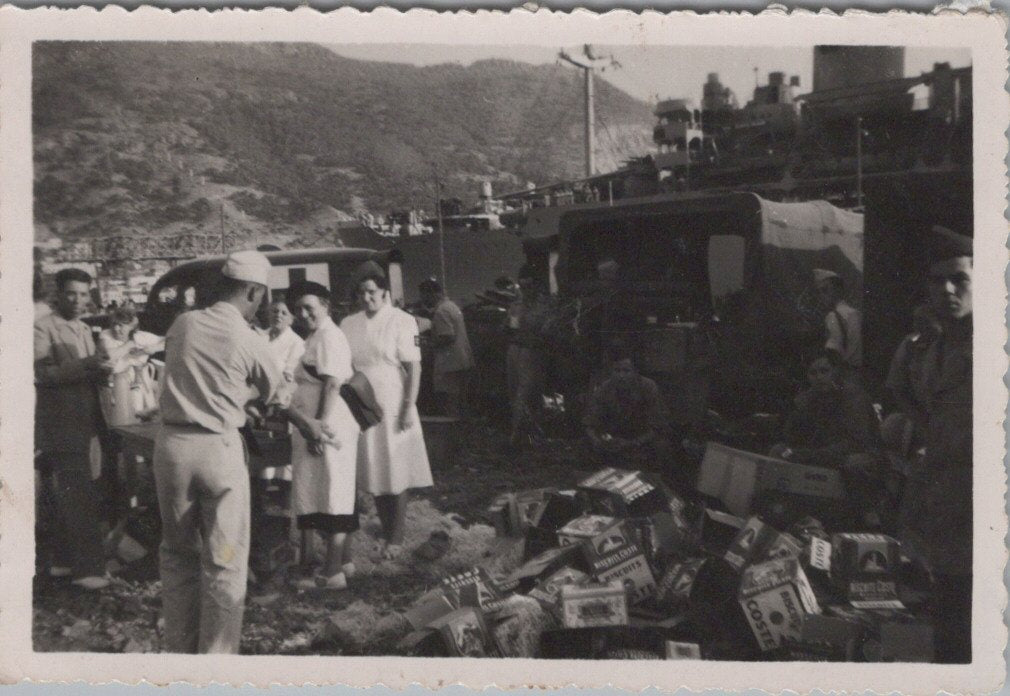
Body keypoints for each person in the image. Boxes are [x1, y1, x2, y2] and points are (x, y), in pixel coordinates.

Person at [154, 250, 281, 653]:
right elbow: (276, 392)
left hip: (173, 446)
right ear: (254, 292)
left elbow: (185, 370)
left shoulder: (184, 323)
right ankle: (217, 659)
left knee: (177, 555)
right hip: (218, 447)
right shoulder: (249, 338)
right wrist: (245, 396)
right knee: (224, 561)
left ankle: (180, 649)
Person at [899, 225, 972, 664]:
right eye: (937, 280)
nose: (947, 289)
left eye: (960, 279)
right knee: (950, 636)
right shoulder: (934, 349)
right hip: (948, 515)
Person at [340, 262, 433, 559]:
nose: (366, 298)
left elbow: (413, 367)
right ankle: (384, 526)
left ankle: (397, 535)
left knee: (396, 465)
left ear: (384, 292)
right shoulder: (348, 323)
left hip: (394, 398)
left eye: (371, 292)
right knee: (375, 466)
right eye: (361, 293)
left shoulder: (402, 320)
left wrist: (408, 406)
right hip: (361, 399)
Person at [34, 267, 114, 590]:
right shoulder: (42, 328)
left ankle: (63, 562)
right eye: (72, 293)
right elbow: (42, 373)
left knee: (73, 490)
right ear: (58, 293)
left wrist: (102, 371)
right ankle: (88, 570)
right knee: (77, 492)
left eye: (84, 294)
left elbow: (82, 373)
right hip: (61, 423)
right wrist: (88, 365)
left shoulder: (83, 328)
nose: (79, 300)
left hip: (86, 420)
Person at [284, 282, 360, 590]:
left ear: (325, 306)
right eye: (298, 309)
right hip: (315, 421)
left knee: (334, 492)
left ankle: (332, 573)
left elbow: (332, 385)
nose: (303, 314)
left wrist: (318, 427)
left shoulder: (331, 336)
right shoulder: (315, 335)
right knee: (322, 489)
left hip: (327, 421)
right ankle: (343, 561)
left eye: (309, 307)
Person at [772, 349, 881, 469]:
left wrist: (811, 455)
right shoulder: (805, 400)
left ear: (835, 372)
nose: (819, 377)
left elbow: (855, 442)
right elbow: (791, 436)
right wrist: (792, 452)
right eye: (813, 373)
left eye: (824, 371)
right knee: (779, 451)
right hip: (818, 454)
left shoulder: (853, 397)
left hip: (851, 455)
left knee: (855, 462)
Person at [582, 346, 674, 483]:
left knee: (661, 447)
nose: (621, 376)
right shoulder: (604, 389)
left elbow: (657, 427)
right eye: (617, 371)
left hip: (641, 439)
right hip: (614, 440)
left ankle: (655, 483)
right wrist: (598, 441)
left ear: (636, 372)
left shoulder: (648, 387)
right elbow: (590, 423)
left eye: (626, 371)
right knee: (585, 448)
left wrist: (632, 443)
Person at [255, 298, 305, 485]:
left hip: (282, 397)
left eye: (284, 313)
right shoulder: (260, 337)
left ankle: (283, 487)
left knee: (280, 443)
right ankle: (263, 484)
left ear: (292, 318)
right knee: (261, 441)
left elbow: (290, 375)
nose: (278, 315)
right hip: (258, 396)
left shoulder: (296, 342)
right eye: (275, 311)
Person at [505, 265, 553, 449]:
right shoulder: (516, 305)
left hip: (532, 351)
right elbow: (509, 327)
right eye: (522, 286)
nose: (525, 290)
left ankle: (519, 436)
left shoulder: (545, 306)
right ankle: (523, 433)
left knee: (526, 393)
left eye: (529, 286)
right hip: (515, 349)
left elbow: (546, 332)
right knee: (514, 391)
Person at [97, 305, 164, 427]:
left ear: (132, 327)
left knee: (147, 424)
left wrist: (153, 348)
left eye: (121, 325)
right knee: (122, 424)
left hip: (141, 387)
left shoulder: (141, 336)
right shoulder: (106, 335)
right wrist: (130, 344)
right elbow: (109, 356)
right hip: (117, 388)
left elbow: (169, 340)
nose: (116, 329)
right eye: (114, 324)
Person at [884, 304, 941, 443]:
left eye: (926, 323)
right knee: (891, 428)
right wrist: (919, 419)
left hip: (948, 419)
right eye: (917, 322)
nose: (919, 328)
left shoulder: (953, 347)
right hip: (920, 415)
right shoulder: (910, 346)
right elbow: (897, 387)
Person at [419, 278, 473, 419]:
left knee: (450, 401)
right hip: (461, 360)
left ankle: (452, 431)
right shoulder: (451, 306)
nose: (423, 300)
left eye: (424, 296)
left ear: (433, 294)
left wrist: (428, 343)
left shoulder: (441, 312)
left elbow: (447, 336)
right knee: (461, 400)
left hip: (449, 363)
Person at [812, 268, 862, 370]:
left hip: (846, 374)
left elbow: (833, 353)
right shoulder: (855, 313)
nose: (821, 295)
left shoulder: (833, 315)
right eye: (819, 292)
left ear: (838, 289)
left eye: (825, 290)